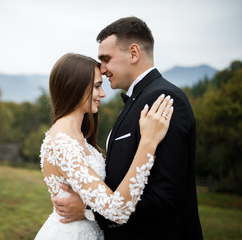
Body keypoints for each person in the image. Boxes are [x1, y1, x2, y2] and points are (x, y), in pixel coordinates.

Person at [52, 17, 204, 239]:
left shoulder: (164, 100)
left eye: (106, 59)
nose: (102, 70)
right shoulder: (135, 101)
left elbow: (165, 197)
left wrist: (90, 212)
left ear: (133, 53)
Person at [35, 53, 174, 240]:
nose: (103, 94)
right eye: (97, 86)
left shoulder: (78, 137)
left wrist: (85, 209)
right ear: (75, 87)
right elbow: (117, 210)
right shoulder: (61, 143)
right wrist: (148, 143)